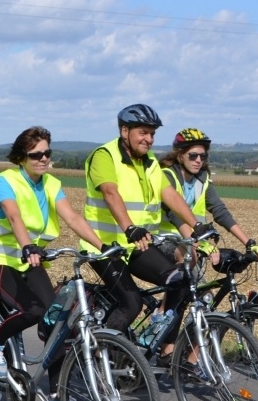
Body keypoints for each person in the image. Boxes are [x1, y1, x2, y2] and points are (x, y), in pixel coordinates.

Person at [0, 126, 105, 401]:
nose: (44, 158)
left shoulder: (51, 184)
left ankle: (60, 394)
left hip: (27, 259)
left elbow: (72, 216)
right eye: (36, 155)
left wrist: (102, 248)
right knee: (33, 310)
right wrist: (27, 245)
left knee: (58, 318)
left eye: (47, 153)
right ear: (22, 157)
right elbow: (14, 215)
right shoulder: (5, 182)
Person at [80, 104, 206, 368]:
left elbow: (169, 194)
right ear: (124, 131)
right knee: (132, 303)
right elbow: (110, 193)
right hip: (105, 247)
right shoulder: (105, 156)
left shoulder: (149, 163)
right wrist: (129, 227)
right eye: (143, 132)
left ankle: (154, 333)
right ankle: (98, 361)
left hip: (137, 245)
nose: (148, 139)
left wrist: (196, 225)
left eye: (152, 134)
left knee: (179, 280)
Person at [155, 127, 258, 360]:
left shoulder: (202, 179)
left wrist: (249, 242)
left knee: (203, 301)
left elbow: (220, 211)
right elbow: (173, 213)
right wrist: (197, 240)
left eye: (203, 156)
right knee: (186, 289)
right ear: (179, 154)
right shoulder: (167, 176)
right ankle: (166, 346)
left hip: (193, 243)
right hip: (166, 240)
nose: (198, 160)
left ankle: (191, 360)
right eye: (193, 155)